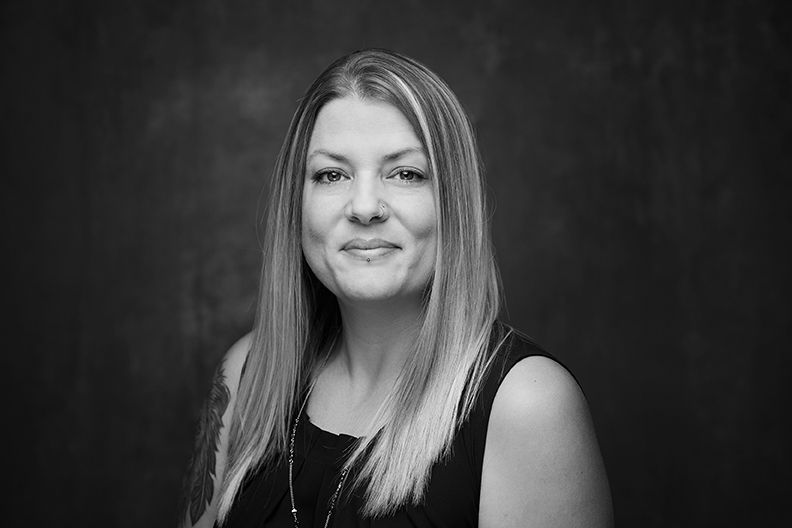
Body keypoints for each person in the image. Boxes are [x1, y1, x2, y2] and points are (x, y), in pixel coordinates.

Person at [179, 49, 613, 528]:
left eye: (406, 173)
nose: (365, 207)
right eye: (332, 174)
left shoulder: (528, 404)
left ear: (454, 204)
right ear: (296, 206)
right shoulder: (247, 372)